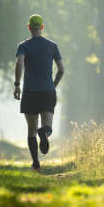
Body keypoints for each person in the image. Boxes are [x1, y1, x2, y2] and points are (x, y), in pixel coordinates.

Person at [14, 14, 65, 171]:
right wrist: (53, 85)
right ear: (42, 27)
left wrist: (17, 84)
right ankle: (45, 132)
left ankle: (36, 163)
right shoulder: (52, 45)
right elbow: (61, 69)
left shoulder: (23, 46)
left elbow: (19, 63)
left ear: (29, 27)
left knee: (31, 129)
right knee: (47, 125)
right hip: (47, 91)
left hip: (30, 92)